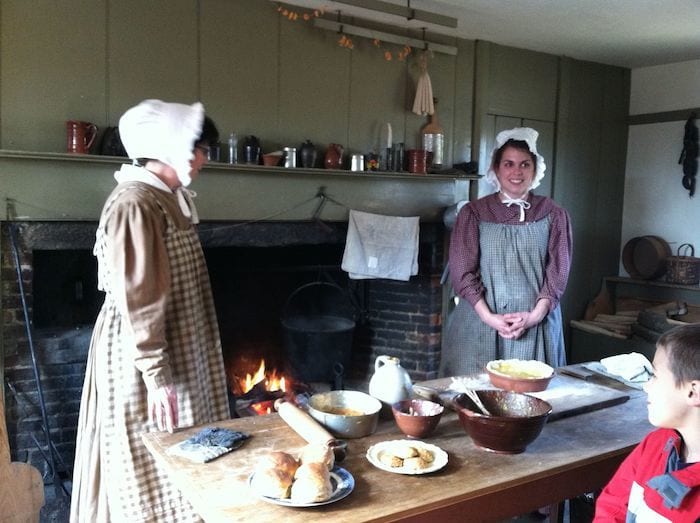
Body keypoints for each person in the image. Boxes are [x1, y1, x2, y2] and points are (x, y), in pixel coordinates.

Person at [70, 100, 230, 522]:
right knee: (148, 450)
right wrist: (156, 376)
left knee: (190, 446)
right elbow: (139, 298)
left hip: (177, 341)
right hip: (143, 354)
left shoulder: (167, 198)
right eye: (201, 149)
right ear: (171, 145)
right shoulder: (135, 203)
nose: (205, 160)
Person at [440, 127, 572, 376]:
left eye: (524, 164)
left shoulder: (553, 213)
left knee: (531, 402)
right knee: (472, 401)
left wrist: (534, 316)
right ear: (496, 168)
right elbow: (462, 272)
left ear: (535, 170)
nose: (516, 172)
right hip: (479, 324)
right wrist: (489, 317)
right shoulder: (473, 213)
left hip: (535, 327)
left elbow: (558, 273)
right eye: (509, 164)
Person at [594, 324, 700, 521]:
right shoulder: (656, 444)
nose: (646, 386)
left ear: (693, 391)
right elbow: (613, 505)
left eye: (655, 376)